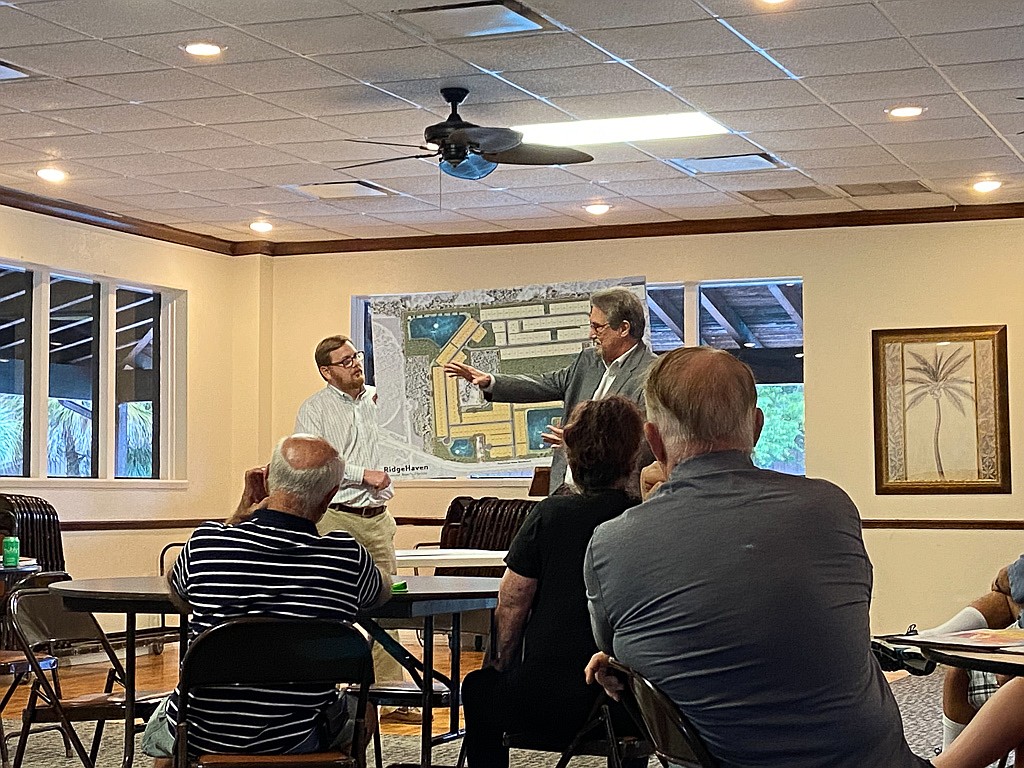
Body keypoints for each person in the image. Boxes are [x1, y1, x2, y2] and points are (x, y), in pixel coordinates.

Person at [583, 346, 930, 768]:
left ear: (652, 440)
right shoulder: (830, 508)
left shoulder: (610, 544)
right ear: (758, 427)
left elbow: (614, 651)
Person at [141, 435, 391, 766]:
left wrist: (238, 516)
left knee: (169, 720)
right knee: (364, 706)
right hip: (301, 739)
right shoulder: (346, 557)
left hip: (204, 735)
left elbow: (179, 593)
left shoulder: (205, 544)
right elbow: (381, 592)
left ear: (268, 478)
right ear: (330, 496)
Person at [461, 396, 645, 768]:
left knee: (479, 689)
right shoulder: (644, 519)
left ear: (572, 453)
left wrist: (501, 664)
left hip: (545, 698)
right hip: (626, 703)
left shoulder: (549, 515)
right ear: (633, 455)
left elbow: (513, 601)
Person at [444, 287, 656, 493]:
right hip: (565, 489)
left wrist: (579, 444)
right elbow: (547, 383)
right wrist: (490, 382)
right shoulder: (587, 360)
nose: (591, 334)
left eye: (597, 327)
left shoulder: (650, 374)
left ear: (623, 328)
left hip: (612, 497)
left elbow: (642, 444)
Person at [295, 335, 408, 697]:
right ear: (326, 372)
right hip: (336, 517)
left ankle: (389, 693)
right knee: (330, 604)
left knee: (387, 606)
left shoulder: (377, 401)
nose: (356, 364)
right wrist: (363, 475)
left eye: (355, 356)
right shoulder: (314, 409)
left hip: (377, 518)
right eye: (345, 361)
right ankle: (327, 690)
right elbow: (313, 462)